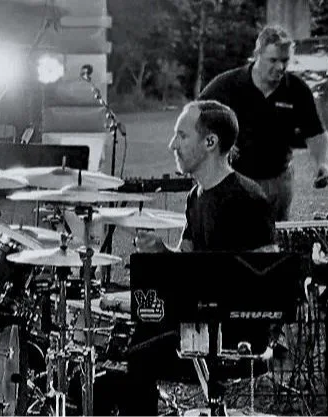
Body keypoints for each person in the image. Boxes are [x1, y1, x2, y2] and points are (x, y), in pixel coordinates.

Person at [106, 100, 276, 415]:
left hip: (235, 334)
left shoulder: (247, 200)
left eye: (182, 136)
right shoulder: (195, 196)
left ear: (210, 142)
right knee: (120, 344)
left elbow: (263, 288)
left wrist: (199, 299)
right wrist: (160, 251)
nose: (173, 145)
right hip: (198, 317)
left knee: (138, 357)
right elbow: (187, 262)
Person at [197, 25, 328, 221]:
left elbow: (317, 133)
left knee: (274, 242)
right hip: (235, 180)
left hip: (278, 181)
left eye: (285, 61)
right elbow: (195, 117)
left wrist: (322, 164)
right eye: (273, 60)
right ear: (257, 54)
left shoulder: (296, 89)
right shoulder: (228, 85)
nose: (280, 67)